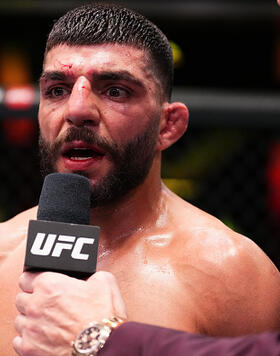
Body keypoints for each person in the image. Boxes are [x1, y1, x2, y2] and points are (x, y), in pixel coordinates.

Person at [1, 2, 280, 355]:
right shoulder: (2, 250)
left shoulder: (231, 273)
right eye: (57, 90)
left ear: (168, 126)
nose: (77, 110)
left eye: (115, 90)